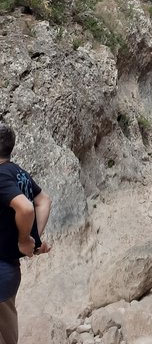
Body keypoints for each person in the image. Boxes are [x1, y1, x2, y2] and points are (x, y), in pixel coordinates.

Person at [0, 123, 52, 344]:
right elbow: (43, 200)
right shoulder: (18, 172)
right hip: (10, 270)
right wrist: (35, 239)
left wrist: (24, 239)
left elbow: (27, 208)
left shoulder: (1, 176)